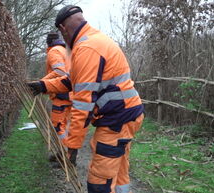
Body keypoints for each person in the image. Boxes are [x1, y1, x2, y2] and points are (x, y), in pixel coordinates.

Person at [27, 5, 144, 193]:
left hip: (117, 119)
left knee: (99, 180)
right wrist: (44, 86)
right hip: (126, 114)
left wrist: (72, 146)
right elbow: (73, 81)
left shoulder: (87, 48)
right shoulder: (92, 40)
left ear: (63, 29)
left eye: (61, 35)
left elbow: (83, 104)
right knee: (119, 171)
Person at [42, 32, 72, 147]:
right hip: (70, 94)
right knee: (66, 124)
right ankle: (67, 152)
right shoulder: (65, 50)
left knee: (58, 126)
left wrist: (43, 83)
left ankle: (66, 155)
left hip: (61, 95)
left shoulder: (53, 51)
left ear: (48, 43)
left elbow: (60, 71)